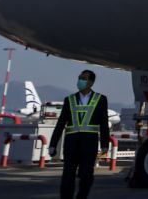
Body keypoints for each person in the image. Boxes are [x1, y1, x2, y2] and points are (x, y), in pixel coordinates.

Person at [49, 70, 110, 199]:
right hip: (71, 144)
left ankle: (81, 196)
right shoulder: (69, 99)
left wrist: (105, 145)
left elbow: (104, 123)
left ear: (91, 82)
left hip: (89, 144)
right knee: (68, 176)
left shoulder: (101, 99)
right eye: (80, 78)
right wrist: (53, 144)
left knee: (87, 176)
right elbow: (60, 124)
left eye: (84, 78)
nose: (81, 81)